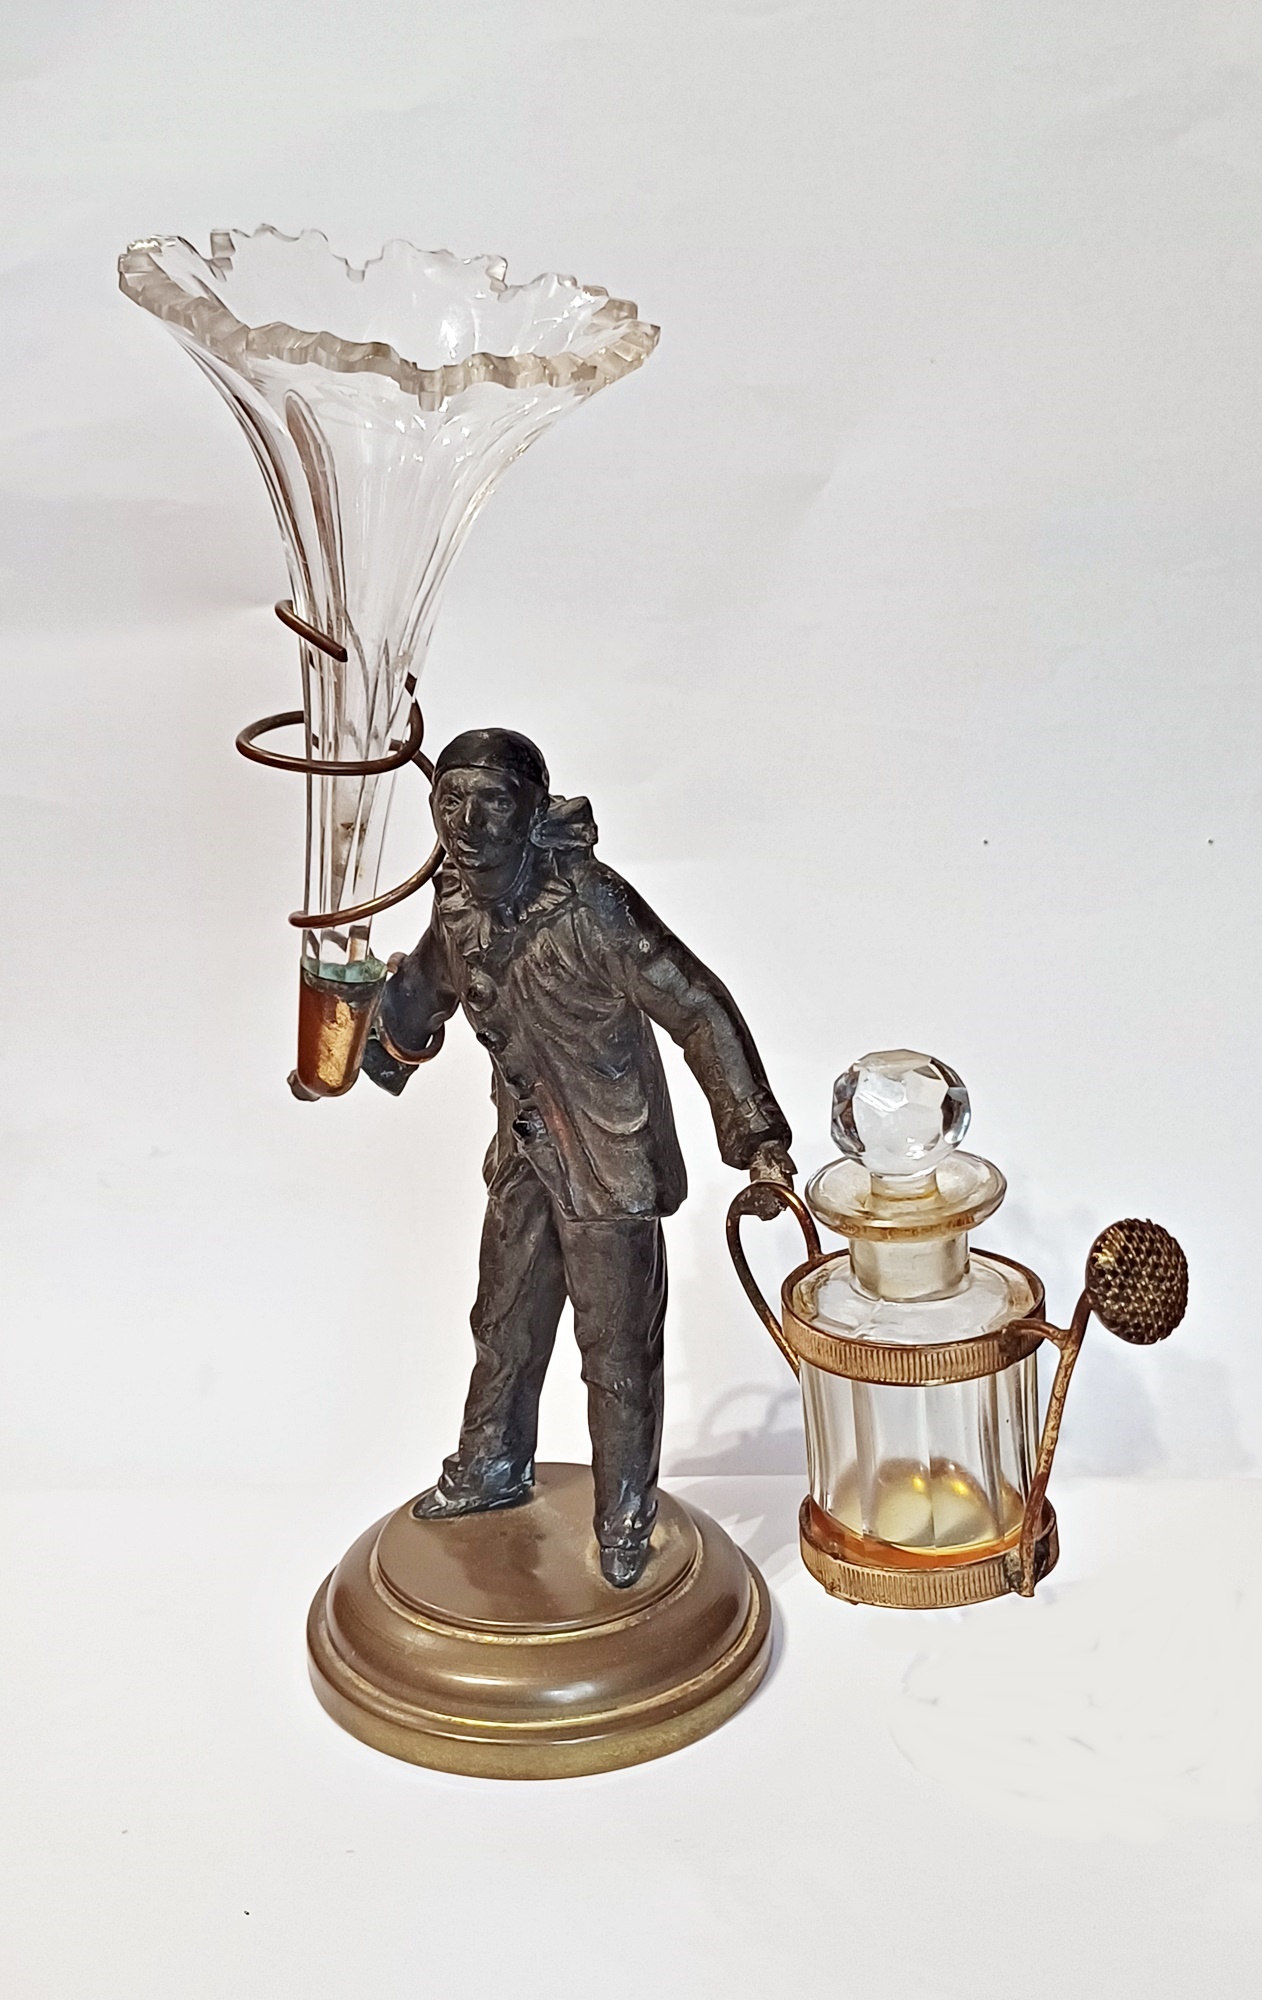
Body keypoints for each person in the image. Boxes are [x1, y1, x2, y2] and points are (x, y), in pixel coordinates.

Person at [363, 727, 794, 1587]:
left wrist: (757, 1139)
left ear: (534, 813)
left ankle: (625, 1519)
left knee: (616, 1354)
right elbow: (424, 991)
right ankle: (491, 1466)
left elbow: (697, 1007)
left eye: (493, 802)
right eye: (452, 801)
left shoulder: (592, 907)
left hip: (608, 1164)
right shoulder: (457, 905)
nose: (468, 824)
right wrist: (363, 1043)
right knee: (504, 1323)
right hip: (525, 1159)